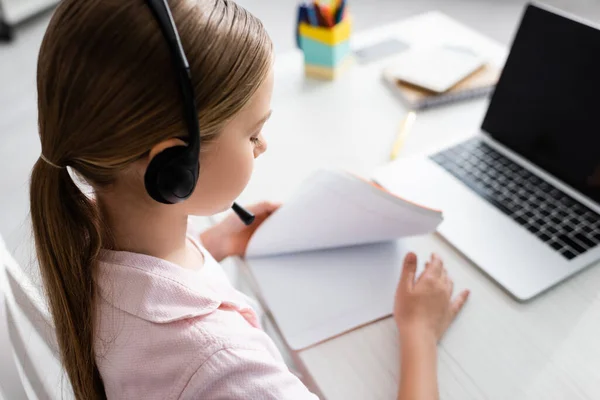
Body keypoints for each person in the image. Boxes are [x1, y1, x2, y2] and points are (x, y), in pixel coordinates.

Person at [29, 0, 469, 399]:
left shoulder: (83, 232)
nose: (263, 147)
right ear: (173, 166)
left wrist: (218, 244)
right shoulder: (227, 369)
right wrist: (418, 333)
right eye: (253, 133)